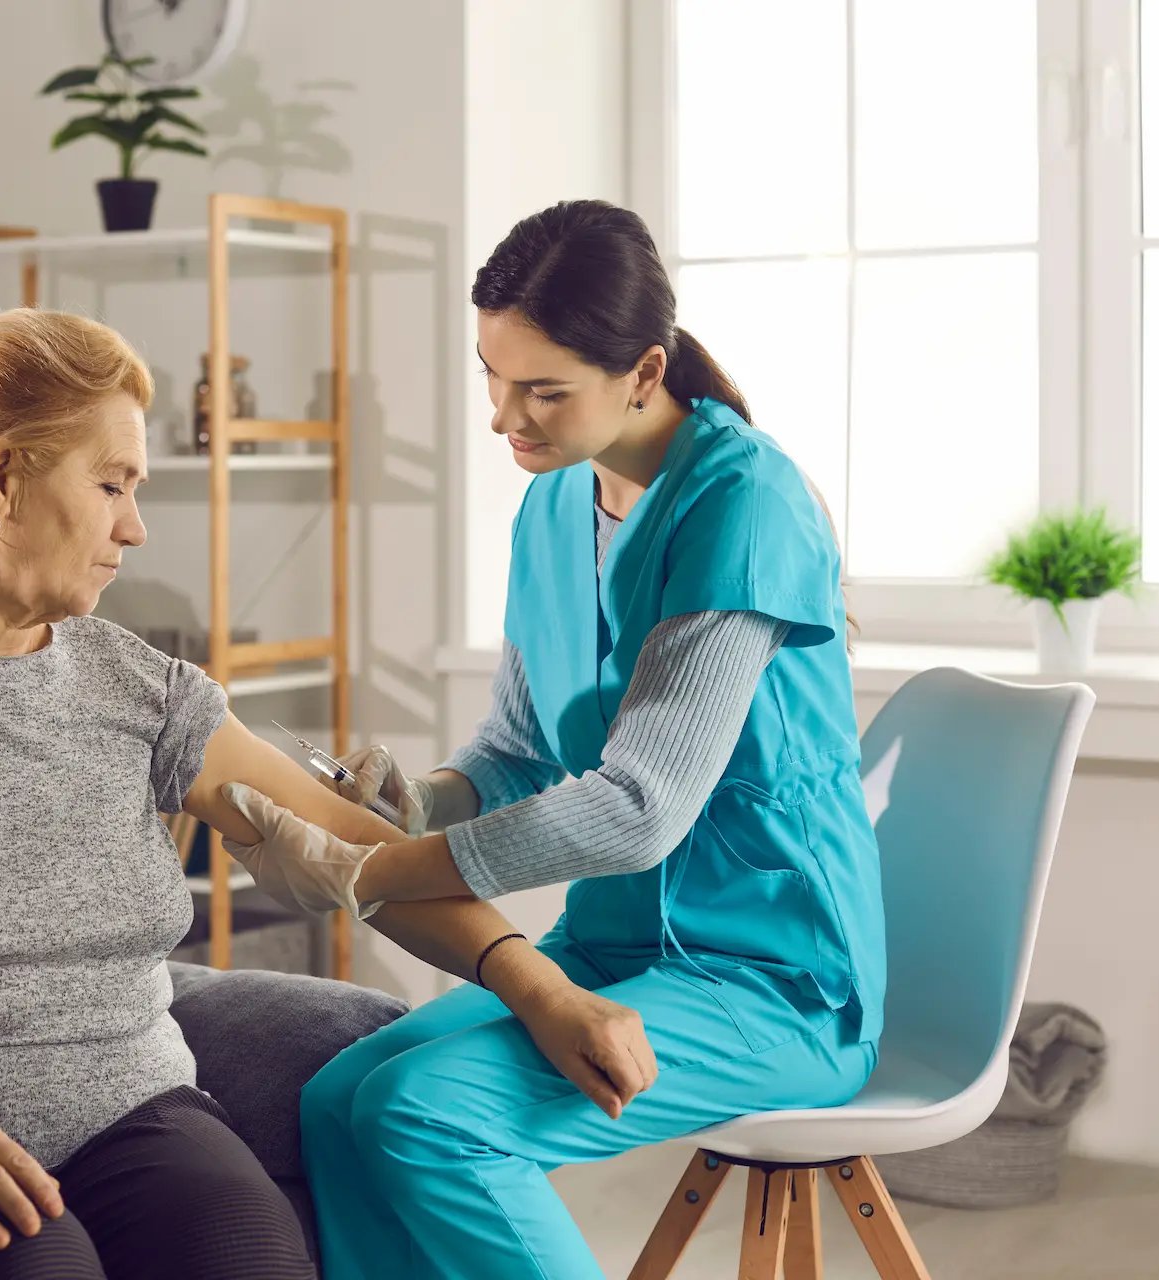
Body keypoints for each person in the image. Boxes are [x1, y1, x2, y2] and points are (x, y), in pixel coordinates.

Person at [0, 307, 654, 1280]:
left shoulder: (134, 687)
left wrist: (543, 989)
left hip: (122, 1107)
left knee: (248, 1256)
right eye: (111, 484)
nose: (134, 526)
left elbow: (363, 854)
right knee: (39, 1262)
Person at [220, 200, 886, 1279]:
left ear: (643, 371)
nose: (503, 417)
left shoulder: (745, 503)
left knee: (426, 1115)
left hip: (773, 980)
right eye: (492, 376)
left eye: (542, 390)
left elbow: (639, 809)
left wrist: (371, 872)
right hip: (616, 948)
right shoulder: (553, 504)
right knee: (339, 1099)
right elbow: (520, 749)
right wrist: (418, 801)